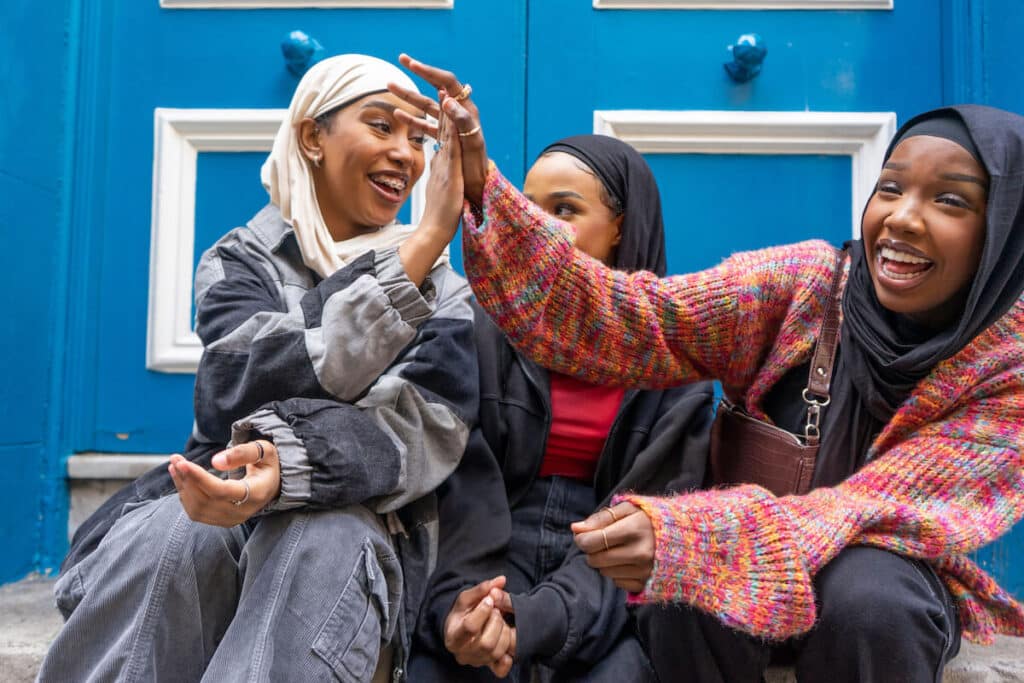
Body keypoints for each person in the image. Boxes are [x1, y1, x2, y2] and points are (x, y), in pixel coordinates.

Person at [389, 57, 1024, 681]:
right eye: (890, 187)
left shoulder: (1007, 376)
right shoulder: (808, 284)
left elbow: (864, 510)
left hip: (876, 601)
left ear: (1001, 229)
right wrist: (484, 190)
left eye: (949, 200)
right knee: (684, 597)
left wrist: (686, 538)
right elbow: (639, 318)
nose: (904, 217)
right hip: (728, 601)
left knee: (871, 594)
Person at [39, 54, 475, 683]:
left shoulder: (445, 291)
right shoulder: (241, 261)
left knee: (320, 540)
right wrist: (408, 268)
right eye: (381, 126)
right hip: (220, 502)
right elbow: (241, 384)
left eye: (417, 139)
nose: (406, 155)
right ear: (311, 136)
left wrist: (287, 473)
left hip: (361, 529)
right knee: (178, 535)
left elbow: (417, 434)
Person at [408, 135, 714, 682]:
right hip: (485, 554)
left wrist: (537, 619)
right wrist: (465, 609)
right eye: (529, 209)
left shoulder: (677, 362)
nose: (538, 228)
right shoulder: (479, 330)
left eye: (565, 209)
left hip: (609, 576)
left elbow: (646, 527)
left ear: (622, 225)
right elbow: (458, 501)